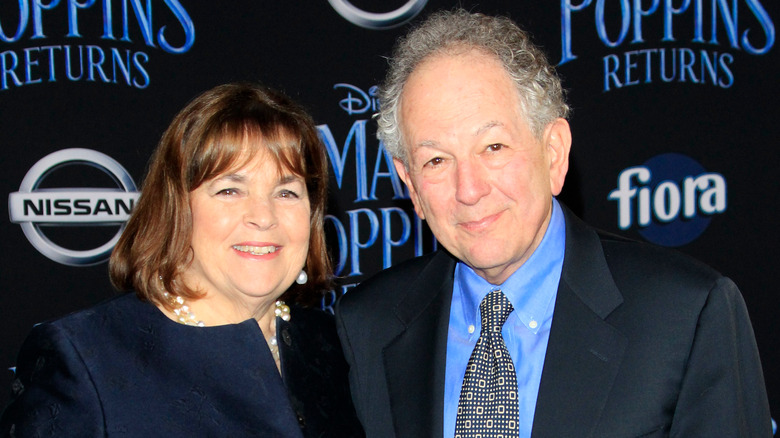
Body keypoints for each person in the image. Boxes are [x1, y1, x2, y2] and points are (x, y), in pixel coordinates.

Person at [335, 9, 771, 438]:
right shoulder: (369, 327)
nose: (468, 189)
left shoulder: (685, 315)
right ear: (410, 184)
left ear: (554, 152)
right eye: (435, 160)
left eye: (493, 147)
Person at [1, 83, 364, 437]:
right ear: (176, 210)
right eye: (229, 190)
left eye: (286, 192)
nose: (263, 216)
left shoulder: (339, 347)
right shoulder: (87, 357)